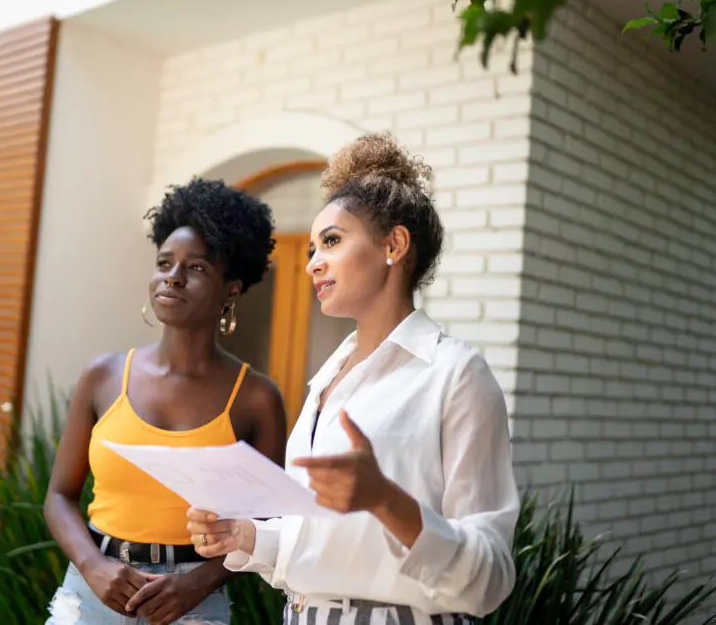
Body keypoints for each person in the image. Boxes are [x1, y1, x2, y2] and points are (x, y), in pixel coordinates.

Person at [185, 134, 520, 625]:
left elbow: (490, 578)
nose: (311, 262)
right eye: (313, 246)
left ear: (394, 244)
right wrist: (246, 536)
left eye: (333, 241)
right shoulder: (326, 380)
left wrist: (387, 501)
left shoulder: (456, 375)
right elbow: (326, 542)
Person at [43, 177, 289, 625]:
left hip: (192, 604)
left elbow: (269, 523)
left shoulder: (255, 399)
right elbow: (59, 496)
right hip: (93, 592)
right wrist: (92, 565)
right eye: (164, 263)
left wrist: (198, 583)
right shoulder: (103, 376)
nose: (172, 277)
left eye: (195, 268)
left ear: (231, 290)